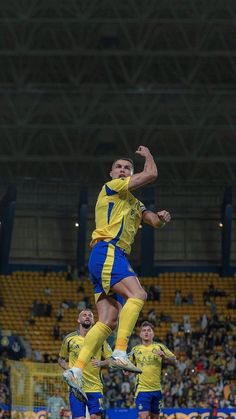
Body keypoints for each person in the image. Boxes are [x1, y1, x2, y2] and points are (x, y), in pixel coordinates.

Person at [63, 146, 171, 400]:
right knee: (139, 294)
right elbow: (152, 173)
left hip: (109, 257)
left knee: (109, 320)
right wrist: (148, 156)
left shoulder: (135, 202)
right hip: (108, 250)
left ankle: (76, 369)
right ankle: (121, 351)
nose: (123, 170)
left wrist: (163, 218)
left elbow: (153, 221)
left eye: (127, 168)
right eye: (119, 168)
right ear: (112, 173)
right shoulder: (111, 188)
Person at [58, 309, 112, 417]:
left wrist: (100, 363)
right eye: (84, 315)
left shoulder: (100, 339)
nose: (87, 317)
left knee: (95, 417)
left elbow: (112, 360)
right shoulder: (69, 339)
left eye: (90, 316)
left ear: (93, 321)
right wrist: (69, 370)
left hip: (95, 387)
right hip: (76, 387)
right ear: (78, 320)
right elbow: (61, 359)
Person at [129, 321, 176, 419]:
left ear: (153, 333)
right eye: (144, 330)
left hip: (157, 390)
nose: (146, 332)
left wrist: (164, 356)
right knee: (143, 416)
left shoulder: (159, 347)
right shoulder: (135, 350)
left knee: (155, 417)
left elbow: (174, 359)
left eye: (149, 330)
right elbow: (127, 365)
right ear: (140, 334)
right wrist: (126, 370)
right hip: (142, 390)